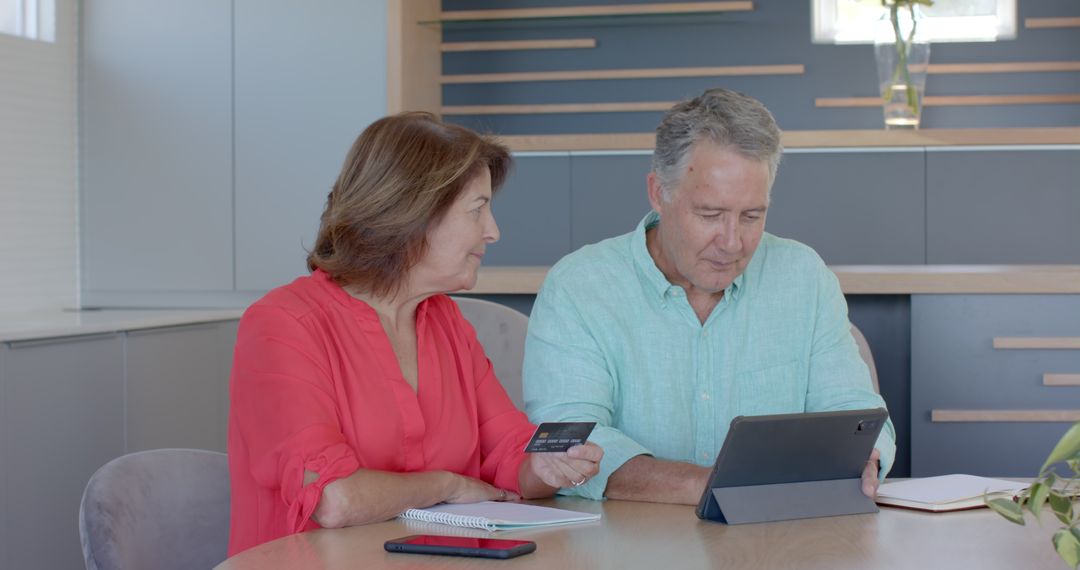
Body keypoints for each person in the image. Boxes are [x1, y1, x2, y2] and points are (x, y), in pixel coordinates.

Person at [227, 112, 603, 555]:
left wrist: (549, 467)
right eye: (477, 209)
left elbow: (508, 455)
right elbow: (334, 499)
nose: (493, 231)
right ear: (413, 214)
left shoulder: (446, 322)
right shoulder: (282, 325)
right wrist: (447, 485)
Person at [522, 88, 894, 505]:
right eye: (710, 215)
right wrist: (716, 486)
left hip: (777, 543)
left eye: (752, 216)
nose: (733, 242)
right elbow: (570, 443)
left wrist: (865, 456)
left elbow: (855, 412)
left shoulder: (803, 276)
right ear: (658, 193)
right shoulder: (580, 286)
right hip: (623, 547)